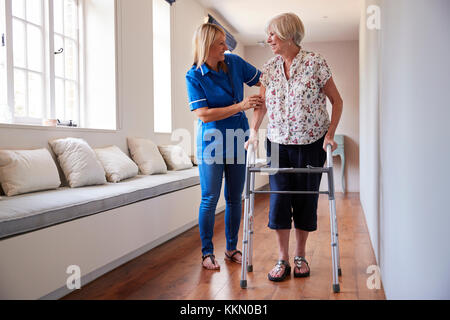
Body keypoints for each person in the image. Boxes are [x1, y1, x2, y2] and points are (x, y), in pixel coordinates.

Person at [245, 13, 343, 281]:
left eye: (272, 34)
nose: (268, 40)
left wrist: (330, 134)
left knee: (305, 198)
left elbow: (337, 101)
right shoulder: (270, 67)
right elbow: (262, 104)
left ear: (288, 35)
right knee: (278, 199)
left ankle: (300, 256)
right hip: (277, 143)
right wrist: (253, 132)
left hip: (311, 143)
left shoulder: (315, 63)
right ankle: (282, 259)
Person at [186, 23, 264, 270]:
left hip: (238, 139)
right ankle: (207, 253)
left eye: (225, 42)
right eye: (220, 43)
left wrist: (257, 118)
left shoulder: (234, 62)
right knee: (209, 198)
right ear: (207, 46)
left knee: (234, 198)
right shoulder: (194, 76)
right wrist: (241, 106)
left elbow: (266, 79)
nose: (225, 46)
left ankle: (231, 249)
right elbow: (204, 115)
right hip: (211, 143)